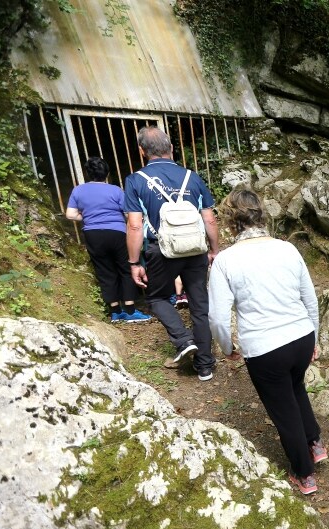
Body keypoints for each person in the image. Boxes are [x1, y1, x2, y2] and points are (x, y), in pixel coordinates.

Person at [208, 189, 327, 496]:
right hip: (300, 337)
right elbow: (310, 300)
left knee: (282, 409)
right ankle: (314, 442)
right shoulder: (287, 249)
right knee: (296, 387)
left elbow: (218, 318)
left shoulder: (225, 261)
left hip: (265, 348)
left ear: (231, 221)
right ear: (261, 213)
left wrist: (227, 348)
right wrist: (313, 337)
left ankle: (304, 474)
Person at [123, 126, 219, 381]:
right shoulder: (193, 177)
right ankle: (205, 366)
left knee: (156, 298)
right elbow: (209, 219)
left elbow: (134, 225)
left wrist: (134, 262)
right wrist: (214, 250)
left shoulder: (136, 180)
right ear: (171, 149)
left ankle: (183, 339)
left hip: (161, 251)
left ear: (142, 151)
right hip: (196, 249)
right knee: (200, 305)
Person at [65, 157, 151, 323]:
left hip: (93, 234)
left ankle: (115, 312)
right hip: (117, 233)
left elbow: (70, 214)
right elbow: (128, 214)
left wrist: (87, 216)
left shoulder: (78, 190)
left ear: (87, 173)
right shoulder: (116, 190)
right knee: (126, 269)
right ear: (107, 173)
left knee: (105, 271)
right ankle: (130, 310)